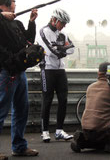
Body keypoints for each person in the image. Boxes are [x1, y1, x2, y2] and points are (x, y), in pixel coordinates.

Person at [0, 0, 41, 160]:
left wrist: (31, 22)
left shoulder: (16, 23)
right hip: (5, 74)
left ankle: (19, 147)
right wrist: (2, 16)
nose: (16, 5)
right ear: (6, 3)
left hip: (19, 72)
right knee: (0, 111)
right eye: (14, 1)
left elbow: (27, 40)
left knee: (22, 110)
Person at [71, 62, 110, 153]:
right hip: (103, 132)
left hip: (86, 130)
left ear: (98, 73)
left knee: (97, 138)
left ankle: (81, 142)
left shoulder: (90, 87)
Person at [36, 8, 75, 143]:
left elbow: (72, 49)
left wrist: (60, 49)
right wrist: (62, 49)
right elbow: (51, 52)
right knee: (47, 100)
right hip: (47, 69)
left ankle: (59, 131)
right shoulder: (43, 31)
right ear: (54, 20)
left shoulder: (62, 33)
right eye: (62, 22)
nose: (64, 26)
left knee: (63, 99)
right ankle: (45, 131)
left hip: (60, 70)